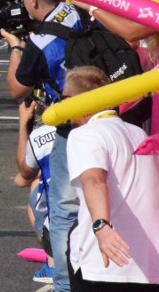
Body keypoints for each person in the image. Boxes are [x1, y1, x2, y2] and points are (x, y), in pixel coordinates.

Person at [1, 0, 84, 292]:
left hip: (70, 121)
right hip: (109, 110)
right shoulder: (76, 11)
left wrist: (16, 47)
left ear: (33, 0)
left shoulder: (39, 39)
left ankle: (62, 282)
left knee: (61, 209)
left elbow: (17, 90)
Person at [63, 66, 159, 290]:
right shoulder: (138, 133)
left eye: (64, 98)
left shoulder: (84, 135)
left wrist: (101, 226)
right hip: (146, 264)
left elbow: (94, 179)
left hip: (102, 263)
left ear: (81, 101)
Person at [14, 96, 57, 285]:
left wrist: (24, 124)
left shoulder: (43, 135)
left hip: (69, 218)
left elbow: (22, 177)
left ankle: (53, 262)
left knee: (36, 185)